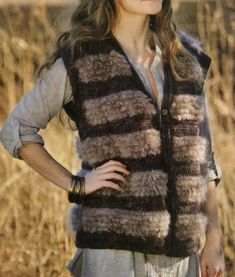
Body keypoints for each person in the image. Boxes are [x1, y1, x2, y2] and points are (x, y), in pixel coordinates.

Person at [0, 0, 225, 276]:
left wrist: (214, 238)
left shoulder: (185, 59)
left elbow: (203, 159)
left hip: (181, 254)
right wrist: (76, 185)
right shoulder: (81, 61)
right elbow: (17, 128)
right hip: (114, 251)